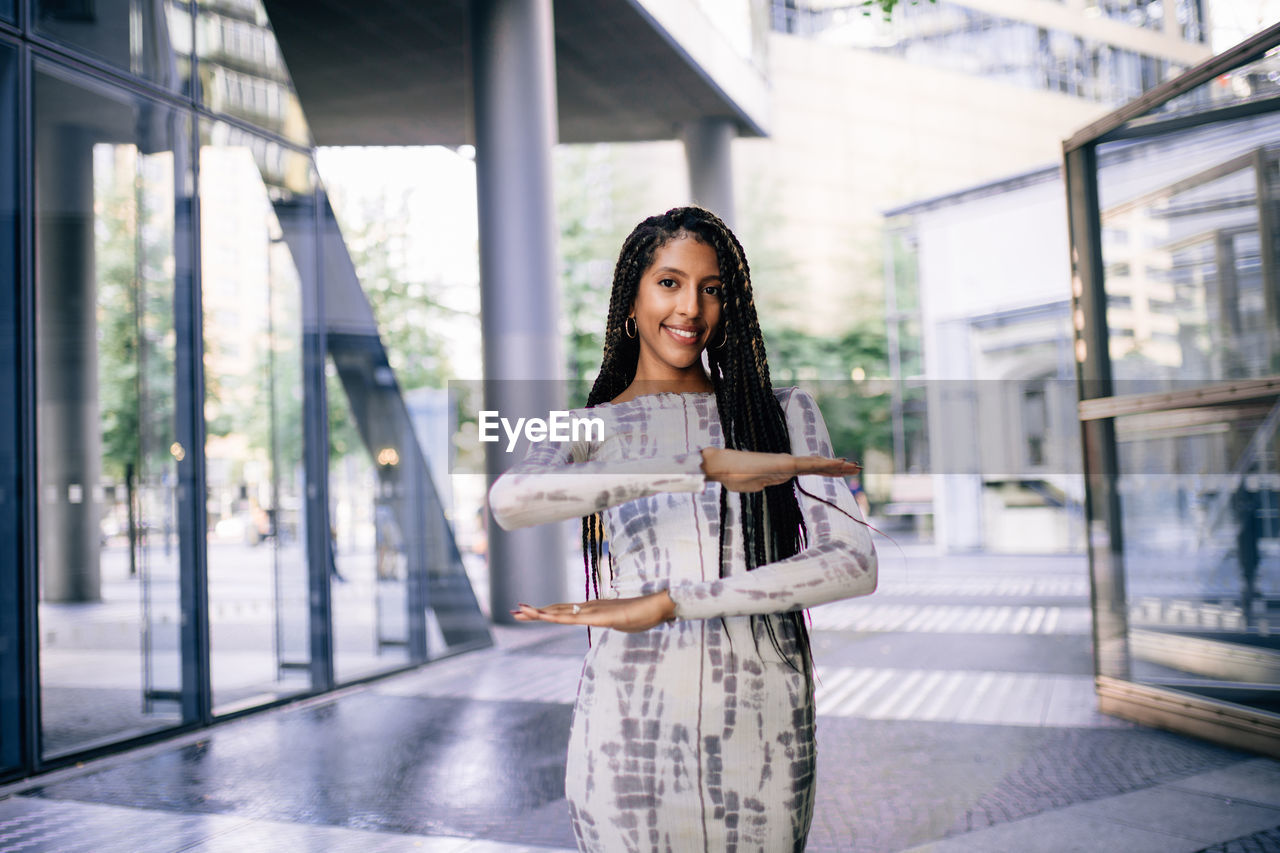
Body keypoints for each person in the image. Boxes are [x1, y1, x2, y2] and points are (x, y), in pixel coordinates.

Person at [487, 206, 878, 851]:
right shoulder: (583, 425)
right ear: (633, 297)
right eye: (669, 282)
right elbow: (512, 502)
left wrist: (675, 601)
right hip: (627, 725)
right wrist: (695, 467)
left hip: (763, 720)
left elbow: (853, 563)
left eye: (712, 288)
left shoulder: (781, 412)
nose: (690, 307)